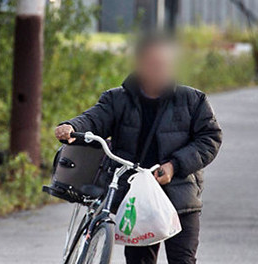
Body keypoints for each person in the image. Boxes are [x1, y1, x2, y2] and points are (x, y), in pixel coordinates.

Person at [55, 34, 222, 264]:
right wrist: (72, 127)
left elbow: (210, 138)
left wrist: (175, 165)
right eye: (152, 64)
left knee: (183, 260)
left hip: (180, 197)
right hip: (135, 198)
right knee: (139, 261)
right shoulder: (117, 99)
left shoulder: (192, 100)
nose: (158, 70)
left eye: (163, 64)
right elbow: (94, 119)